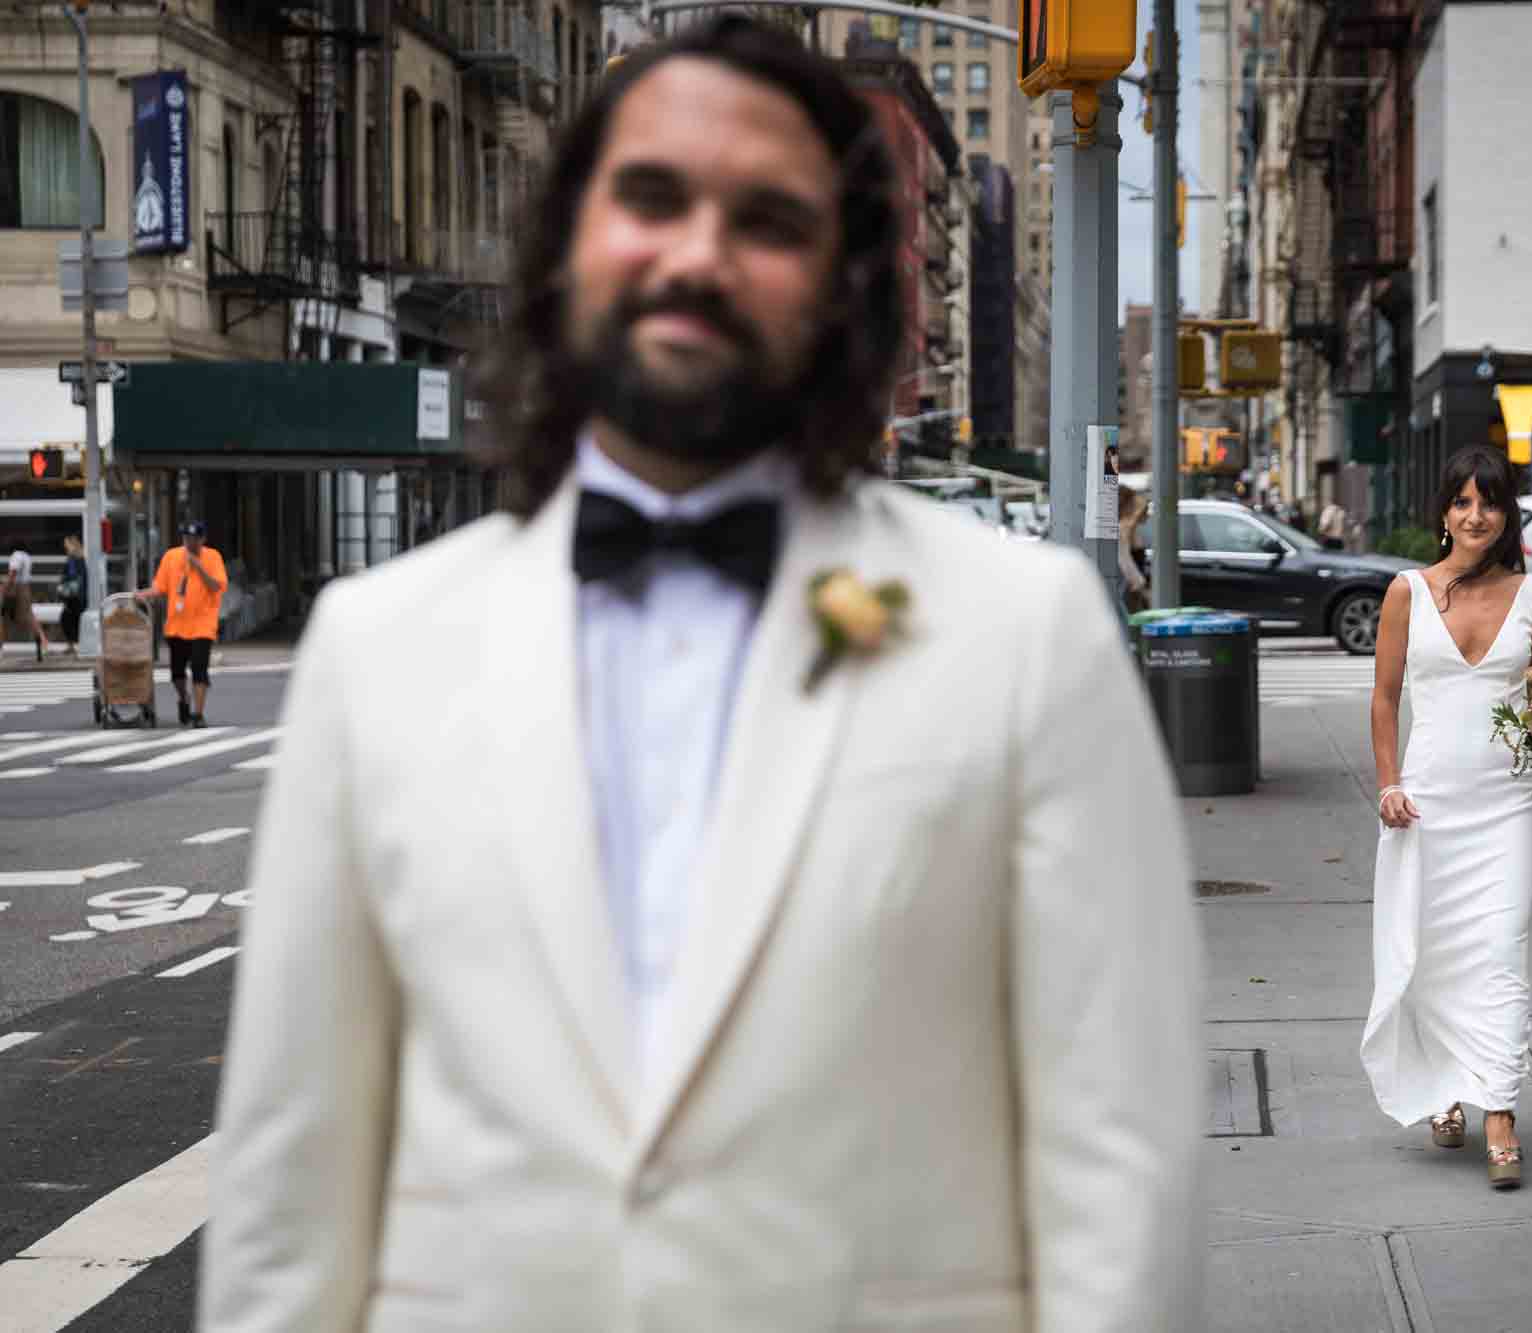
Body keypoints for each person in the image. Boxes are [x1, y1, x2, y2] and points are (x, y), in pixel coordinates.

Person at [200, 19, 1203, 1333]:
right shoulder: (375, 649)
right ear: (567, 242)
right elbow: (288, 1192)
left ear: (844, 287)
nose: (696, 255)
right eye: (652, 196)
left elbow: (1120, 1168)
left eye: (770, 220)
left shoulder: (1029, 636)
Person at [1360, 446, 1532, 1191]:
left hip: (1510, 803)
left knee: (1500, 948)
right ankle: (1442, 1087)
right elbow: (1384, 698)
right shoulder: (1406, 593)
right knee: (1433, 951)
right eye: (1463, 501)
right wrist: (1388, 783)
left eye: (1491, 502)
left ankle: (1499, 1111)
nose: (1476, 515)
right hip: (1429, 800)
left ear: (1507, 514)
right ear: (1444, 512)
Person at [141, 520, 227, 726]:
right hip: (177, 625)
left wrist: (199, 567)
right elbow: (160, 587)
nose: (190, 543)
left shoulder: (213, 557)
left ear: (202, 540)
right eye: (186, 538)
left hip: (203, 625)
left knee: (199, 668)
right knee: (177, 672)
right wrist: (142, 594)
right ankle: (183, 698)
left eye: (194, 539)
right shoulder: (171, 557)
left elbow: (217, 586)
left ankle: (198, 714)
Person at [3, 544, 50, 662]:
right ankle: (41, 642)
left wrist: (4, 588)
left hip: (15, 590)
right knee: (29, 617)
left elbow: (13, 572)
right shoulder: (27, 557)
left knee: (5, 619)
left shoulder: (16, 555)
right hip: (25, 589)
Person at [1118, 485, 1150, 615]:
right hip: (1129, 588)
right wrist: (1142, 587)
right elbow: (1126, 561)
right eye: (1135, 505)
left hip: (1132, 589)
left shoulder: (1130, 528)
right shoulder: (1124, 528)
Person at [59, 534, 87, 655]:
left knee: (68, 619)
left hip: (74, 595)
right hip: (78, 595)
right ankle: (73, 644)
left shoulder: (73, 559)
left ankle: (73, 645)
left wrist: (63, 588)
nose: (65, 546)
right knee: (72, 619)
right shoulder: (80, 558)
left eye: (66, 543)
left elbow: (73, 577)